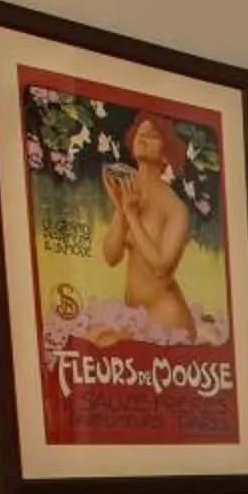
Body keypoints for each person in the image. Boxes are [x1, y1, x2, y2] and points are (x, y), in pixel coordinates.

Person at [101, 111, 199, 338]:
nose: (143, 137)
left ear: (166, 155)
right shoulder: (129, 191)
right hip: (134, 315)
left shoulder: (175, 208)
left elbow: (162, 268)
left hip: (166, 317)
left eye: (153, 135)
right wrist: (121, 210)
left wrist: (132, 216)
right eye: (140, 133)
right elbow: (111, 256)